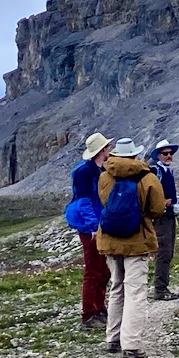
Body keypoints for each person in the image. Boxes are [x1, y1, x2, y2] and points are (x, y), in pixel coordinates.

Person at [97, 137, 166, 358]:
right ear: (135, 155)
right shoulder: (147, 177)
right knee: (135, 291)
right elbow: (157, 209)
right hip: (137, 239)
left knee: (117, 287)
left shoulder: (105, 175)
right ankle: (131, 345)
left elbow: (104, 202)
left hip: (110, 238)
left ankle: (113, 338)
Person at [70, 133, 112, 330]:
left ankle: (99, 308)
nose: (109, 150)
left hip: (98, 223)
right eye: (107, 147)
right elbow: (84, 201)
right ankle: (89, 314)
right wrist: (92, 226)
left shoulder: (97, 169)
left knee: (102, 269)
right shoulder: (86, 172)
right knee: (94, 269)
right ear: (102, 150)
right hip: (91, 227)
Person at [148, 138, 179, 301]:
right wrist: (161, 202)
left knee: (167, 252)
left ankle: (162, 287)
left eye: (170, 153)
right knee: (163, 252)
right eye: (165, 153)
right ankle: (160, 289)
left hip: (168, 215)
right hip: (161, 217)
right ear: (158, 155)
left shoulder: (166, 171)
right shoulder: (156, 171)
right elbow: (149, 192)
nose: (169, 156)